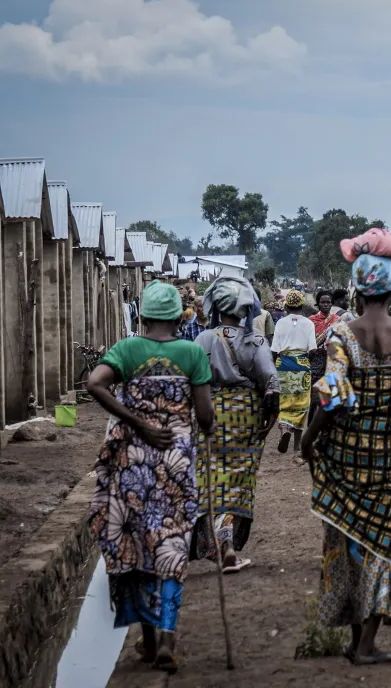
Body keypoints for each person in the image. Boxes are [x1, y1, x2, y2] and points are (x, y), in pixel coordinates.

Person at [302, 231, 391, 665]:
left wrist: (309, 436)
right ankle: (366, 644)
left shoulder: (341, 334)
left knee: (352, 545)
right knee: (387, 545)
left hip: (348, 457)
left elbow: (332, 396)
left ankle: (357, 639)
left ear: (357, 288)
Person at [85, 281, 215, 673]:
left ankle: (147, 638)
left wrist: (136, 421)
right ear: (179, 317)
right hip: (175, 463)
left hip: (132, 464)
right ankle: (168, 641)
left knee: (138, 545)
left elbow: (95, 384)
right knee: (171, 545)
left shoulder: (127, 349)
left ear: (142, 316)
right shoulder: (192, 353)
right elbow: (206, 417)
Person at [192, 277, 280, 574]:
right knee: (239, 478)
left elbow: (194, 380)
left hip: (211, 412)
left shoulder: (203, 340)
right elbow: (270, 382)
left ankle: (220, 542)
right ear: (245, 308)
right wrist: (271, 417)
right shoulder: (255, 341)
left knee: (213, 477)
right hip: (246, 414)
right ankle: (229, 544)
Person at [272, 290, 316, 454]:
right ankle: (297, 446)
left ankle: (284, 429)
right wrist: (304, 362)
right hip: (302, 365)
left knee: (284, 401)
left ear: (287, 306)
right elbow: (312, 350)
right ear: (302, 305)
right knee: (302, 403)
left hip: (283, 364)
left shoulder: (281, 323)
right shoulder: (309, 323)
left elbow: (275, 350)